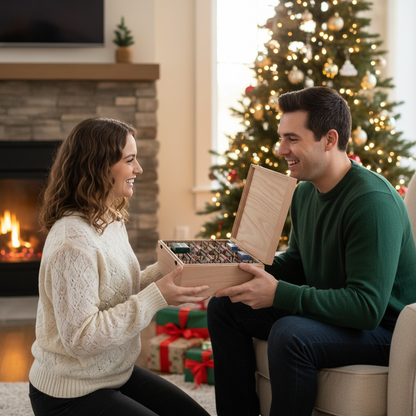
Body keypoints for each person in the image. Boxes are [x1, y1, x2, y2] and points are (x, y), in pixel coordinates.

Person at [207, 86, 416, 416]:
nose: (280, 149)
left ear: (329, 140)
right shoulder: (304, 193)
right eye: (281, 138)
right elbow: (299, 262)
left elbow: (366, 308)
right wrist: (240, 270)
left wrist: (278, 294)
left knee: (291, 334)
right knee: (225, 306)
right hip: (345, 315)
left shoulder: (372, 203)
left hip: (385, 331)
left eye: (292, 139)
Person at [29, 118, 211, 416]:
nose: (138, 169)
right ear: (99, 166)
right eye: (130, 160)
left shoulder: (107, 217)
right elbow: (81, 338)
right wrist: (156, 297)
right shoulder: (71, 242)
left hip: (114, 375)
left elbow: (115, 291)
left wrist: (167, 271)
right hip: (67, 393)